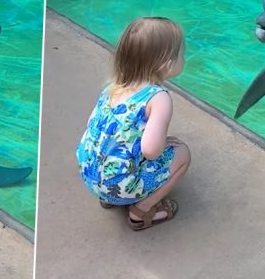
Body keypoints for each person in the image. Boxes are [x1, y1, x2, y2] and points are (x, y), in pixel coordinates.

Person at [76, 16, 191, 230]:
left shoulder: (114, 87)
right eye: (181, 55)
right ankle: (141, 211)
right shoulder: (158, 98)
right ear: (166, 65)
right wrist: (164, 143)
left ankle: (109, 198)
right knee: (182, 154)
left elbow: (98, 130)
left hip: (90, 176)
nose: (184, 59)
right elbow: (151, 151)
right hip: (121, 186)